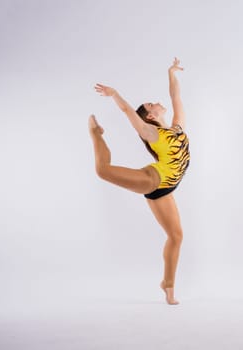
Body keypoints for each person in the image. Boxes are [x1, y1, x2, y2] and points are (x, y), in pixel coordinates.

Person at [88, 57, 190, 305]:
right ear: (150, 116)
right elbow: (127, 112)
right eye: (151, 104)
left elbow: (176, 96)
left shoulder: (177, 127)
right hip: (153, 180)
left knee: (176, 236)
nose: (157, 102)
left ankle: (168, 285)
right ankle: (95, 134)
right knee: (103, 170)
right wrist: (115, 94)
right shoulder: (151, 132)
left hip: (166, 189)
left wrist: (171, 73)